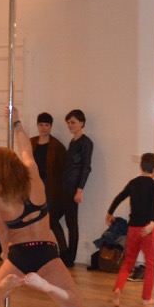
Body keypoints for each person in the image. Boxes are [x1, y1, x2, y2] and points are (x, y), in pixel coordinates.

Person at [0, 110, 82, 307]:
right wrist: (16, 122)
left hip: (21, 253)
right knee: (75, 305)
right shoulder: (32, 173)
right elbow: (25, 147)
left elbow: (3, 231)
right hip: (47, 249)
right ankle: (49, 288)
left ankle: (3, 287)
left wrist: (5, 255)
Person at [106, 153, 154, 307]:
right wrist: (153, 222)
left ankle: (118, 288)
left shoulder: (133, 183)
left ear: (141, 166)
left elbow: (120, 197)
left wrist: (110, 212)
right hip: (147, 230)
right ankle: (146, 298)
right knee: (151, 264)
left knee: (128, 262)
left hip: (132, 228)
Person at [30, 113, 67, 255]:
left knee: (51, 220)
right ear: (37, 125)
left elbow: (64, 171)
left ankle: (63, 252)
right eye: (41, 124)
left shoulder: (57, 146)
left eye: (46, 125)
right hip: (33, 186)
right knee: (34, 219)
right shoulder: (31, 142)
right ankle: (36, 251)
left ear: (51, 127)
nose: (43, 128)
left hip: (50, 188)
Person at [61, 109, 93, 267]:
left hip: (73, 188)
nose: (70, 125)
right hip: (65, 186)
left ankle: (70, 257)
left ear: (82, 123)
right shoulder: (73, 141)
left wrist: (79, 190)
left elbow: (86, 168)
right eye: (68, 123)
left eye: (72, 122)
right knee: (64, 221)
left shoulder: (86, 142)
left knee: (72, 223)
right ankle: (65, 253)